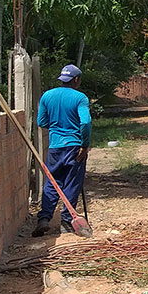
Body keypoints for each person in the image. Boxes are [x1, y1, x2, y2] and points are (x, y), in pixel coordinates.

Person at [32, 64, 92, 236]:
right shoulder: (80, 98)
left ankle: (44, 218)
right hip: (75, 147)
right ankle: (67, 220)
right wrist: (84, 144)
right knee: (72, 182)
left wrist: (57, 125)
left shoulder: (47, 96)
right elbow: (85, 122)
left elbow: (42, 122)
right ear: (76, 80)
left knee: (51, 181)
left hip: (55, 147)